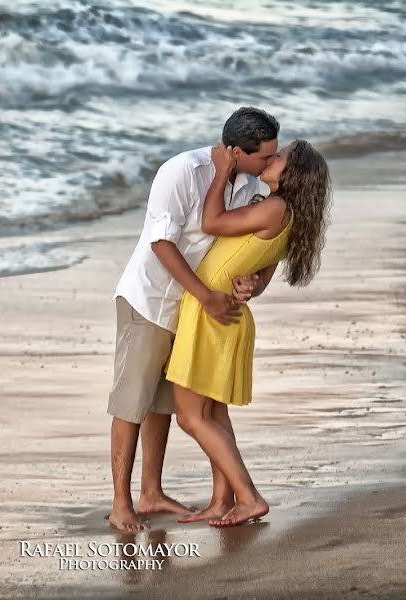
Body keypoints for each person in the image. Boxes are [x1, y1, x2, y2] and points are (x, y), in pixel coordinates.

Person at [107, 107, 282, 532]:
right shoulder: (182, 171)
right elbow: (161, 244)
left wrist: (251, 286)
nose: (268, 167)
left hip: (192, 308)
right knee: (132, 402)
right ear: (235, 152)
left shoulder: (250, 186)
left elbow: (248, 252)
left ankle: (151, 492)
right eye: (263, 158)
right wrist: (205, 296)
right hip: (150, 300)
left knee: (162, 402)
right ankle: (120, 504)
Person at [168, 139, 331, 527]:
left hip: (211, 314)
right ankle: (221, 500)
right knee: (214, 414)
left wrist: (224, 168)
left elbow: (211, 223)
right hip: (228, 311)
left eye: (279, 157)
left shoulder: (275, 208)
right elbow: (260, 278)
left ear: (293, 173)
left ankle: (249, 496)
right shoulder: (288, 215)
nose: (271, 159)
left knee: (191, 418)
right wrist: (250, 287)